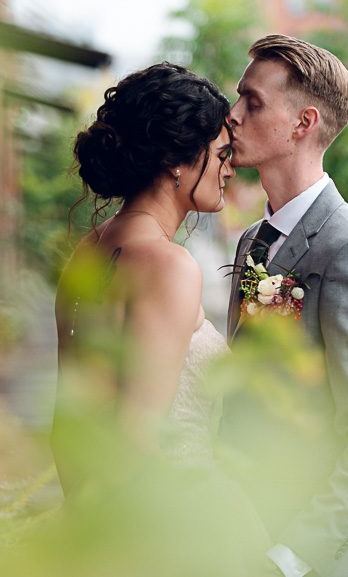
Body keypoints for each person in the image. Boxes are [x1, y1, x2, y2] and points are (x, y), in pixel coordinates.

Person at [50, 62, 271, 576]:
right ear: (177, 162)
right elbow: (139, 436)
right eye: (220, 155)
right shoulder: (169, 266)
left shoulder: (88, 249)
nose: (229, 169)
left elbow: (68, 422)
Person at [221, 34, 348, 577]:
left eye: (252, 103)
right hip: (246, 529)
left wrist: (290, 557)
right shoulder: (252, 238)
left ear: (302, 124)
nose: (232, 116)